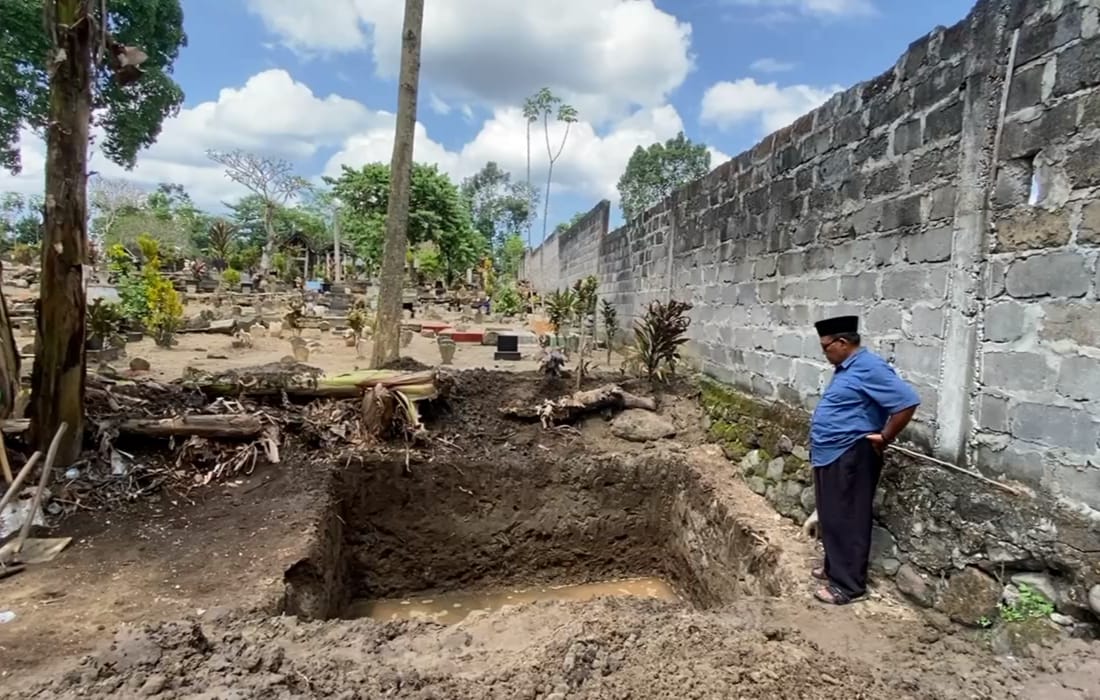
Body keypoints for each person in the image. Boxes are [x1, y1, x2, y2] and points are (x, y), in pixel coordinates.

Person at [809, 315, 920, 606]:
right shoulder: (847, 368)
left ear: (842, 343)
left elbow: (907, 401)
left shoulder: (870, 367)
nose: (824, 352)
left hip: (851, 453)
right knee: (832, 514)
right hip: (831, 452)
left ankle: (848, 586)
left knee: (848, 517)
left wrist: (885, 437)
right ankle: (834, 568)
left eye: (825, 347)